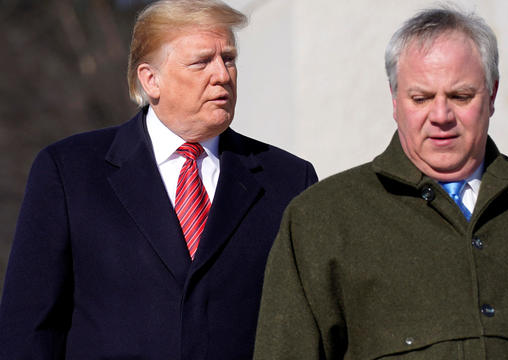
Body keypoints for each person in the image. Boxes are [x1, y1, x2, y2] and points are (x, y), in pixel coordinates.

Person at [253, 6, 508, 359]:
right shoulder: (322, 221)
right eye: (421, 98)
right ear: (394, 99)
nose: (441, 115)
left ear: (492, 95)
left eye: (460, 95)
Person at [0, 0, 317, 359]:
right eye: (201, 62)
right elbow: (27, 327)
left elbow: (309, 326)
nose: (223, 75)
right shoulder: (69, 172)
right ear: (151, 79)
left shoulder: (289, 178)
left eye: (228, 58)